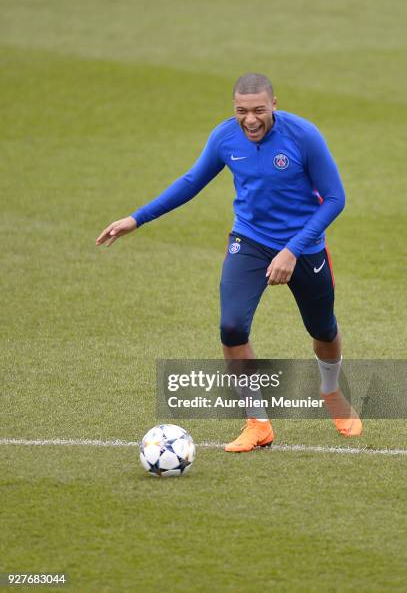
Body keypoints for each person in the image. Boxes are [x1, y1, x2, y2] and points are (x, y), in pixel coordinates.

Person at [96, 72, 362, 452]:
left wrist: (292, 250)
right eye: (241, 111)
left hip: (303, 246)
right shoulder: (225, 137)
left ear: (274, 104)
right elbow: (191, 182)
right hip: (250, 241)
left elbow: (335, 199)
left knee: (323, 330)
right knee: (232, 327)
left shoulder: (303, 136)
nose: (250, 119)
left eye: (258, 110)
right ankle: (257, 423)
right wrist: (136, 218)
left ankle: (332, 392)